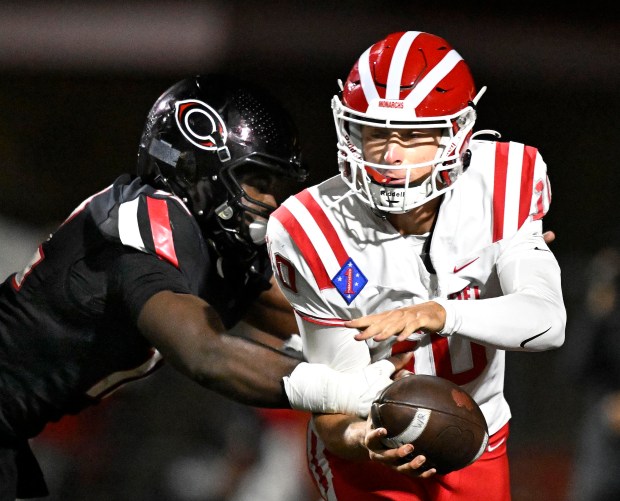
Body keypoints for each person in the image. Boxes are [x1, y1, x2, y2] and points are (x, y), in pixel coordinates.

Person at [0, 74, 405, 500]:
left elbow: (315, 316)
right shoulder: (145, 231)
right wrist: (343, 390)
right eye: (258, 182)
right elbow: (206, 354)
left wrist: (407, 342)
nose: (271, 203)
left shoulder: (205, 244)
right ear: (197, 167)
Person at [266, 31, 566, 500]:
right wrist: (362, 441)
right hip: (374, 451)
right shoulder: (307, 228)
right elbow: (333, 412)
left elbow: (548, 322)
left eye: (411, 135)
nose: (390, 154)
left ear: (456, 132)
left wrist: (439, 313)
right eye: (375, 132)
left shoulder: (504, 182)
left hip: (477, 439)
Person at [561, 233, 620, 501]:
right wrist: (595, 313)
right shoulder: (605, 308)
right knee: (594, 488)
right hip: (605, 411)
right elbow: (574, 366)